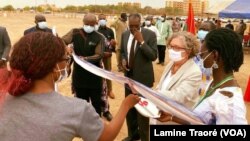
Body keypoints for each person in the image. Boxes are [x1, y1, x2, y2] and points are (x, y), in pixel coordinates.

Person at [0, 32, 140, 141]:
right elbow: (106, 136)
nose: (67, 64)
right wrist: (126, 105)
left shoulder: (4, 98)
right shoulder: (76, 110)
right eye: (66, 59)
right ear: (54, 66)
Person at [158, 28, 248, 125]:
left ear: (214, 55)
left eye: (202, 53)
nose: (199, 57)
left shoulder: (229, 102)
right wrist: (172, 117)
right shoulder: (212, 83)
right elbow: (203, 121)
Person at [121, 13, 157, 141]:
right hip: (129, 79)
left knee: (142, 111)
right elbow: (123, 52)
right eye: (131, 26)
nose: (133, 29)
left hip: (143, 80)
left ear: (140, 23)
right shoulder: (125, 34)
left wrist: (141, 42)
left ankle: (144, 137)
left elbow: (153, 56)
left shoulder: (149, 35)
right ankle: (133, 135)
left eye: (136, 26)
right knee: (130, 110)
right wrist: (123, 60)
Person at [62, 13, 104, 116]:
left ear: (95, 25)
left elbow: (99, 55)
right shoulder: (75, 32)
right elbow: (62, 40)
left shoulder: (99, 37)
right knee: (80, 104)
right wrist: (66, 47)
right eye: (87, 24)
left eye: (92, 25)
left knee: (96, 105)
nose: (89, 26)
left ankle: (96, 126)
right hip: (79, 76)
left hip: (94, 77)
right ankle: (81, 126)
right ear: (83, 23)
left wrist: (85, 59)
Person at [156, 31, 201, 111]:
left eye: (177, 48)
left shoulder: (194, 72)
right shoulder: (171, 64)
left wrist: (153, 93)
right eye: (171, 46)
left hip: (176, 118)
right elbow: (161, 85)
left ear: (189, 50)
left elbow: (179, 96)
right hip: (161, 111)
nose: (172, 50)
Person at [97, 13, 116, 121]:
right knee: (98, 74)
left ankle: (110, 90)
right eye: (101, 19)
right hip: (97, 57)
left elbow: (112, 45)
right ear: (98, 20)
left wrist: (112, 46)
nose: (103, 20)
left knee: (108, 73)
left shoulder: (110, 31)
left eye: (104, 19)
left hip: (107, 56)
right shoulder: (95, 30)